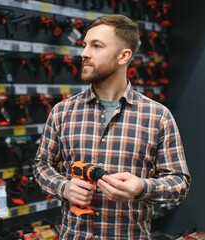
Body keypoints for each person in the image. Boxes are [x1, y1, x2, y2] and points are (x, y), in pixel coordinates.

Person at [33, 14, 191, 239]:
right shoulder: (63, 111)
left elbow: (179, 183)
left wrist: (142, 188)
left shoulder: (157, 116)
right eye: (85, 45)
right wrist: (64, 187)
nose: (84, 53)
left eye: (96, 46)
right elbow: (42, 166)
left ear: (123, 56)